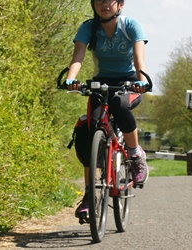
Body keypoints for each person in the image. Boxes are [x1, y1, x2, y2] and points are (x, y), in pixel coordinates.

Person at [65, 0, 149, 220]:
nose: (104, 4)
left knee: (119, 105)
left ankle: (135, 154)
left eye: (109, 0)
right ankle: (89, 195)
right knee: (89, 127)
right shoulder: (88, 28)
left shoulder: (131, 26)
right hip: (100, 83)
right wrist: (70, 80)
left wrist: (141, 81)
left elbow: (139, 60)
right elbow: (78, 58)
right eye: (98, 0)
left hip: (129, 83)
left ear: (120, 4)